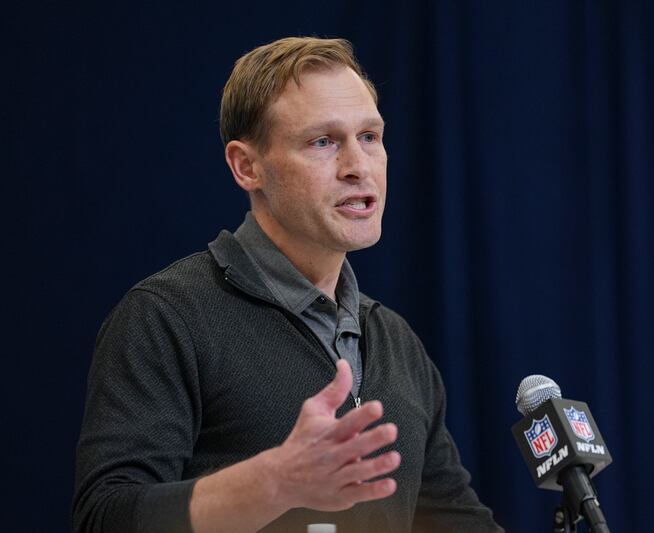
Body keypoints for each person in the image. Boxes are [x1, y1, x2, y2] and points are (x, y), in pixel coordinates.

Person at [72, 37, 503, 533]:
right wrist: (274, 482)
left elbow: (457, 523)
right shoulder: (167, 317)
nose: (358, 166)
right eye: (323, 142)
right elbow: (104, 518)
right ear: (246, 166)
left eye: (370, 136)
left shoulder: (396, 342)